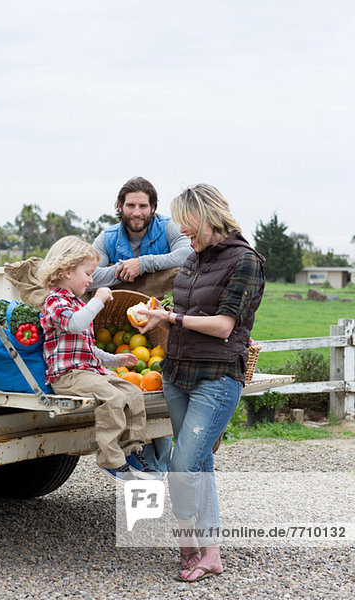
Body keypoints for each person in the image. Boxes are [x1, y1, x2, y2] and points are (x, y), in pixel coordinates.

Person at [137, 184, 265, 582]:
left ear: (209, 218)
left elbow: (224, 325)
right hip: (177, 373)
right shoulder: (194, 259)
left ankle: (188, 542)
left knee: (181, 465)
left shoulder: (246, 261)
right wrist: (163, 314)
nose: (185, 235)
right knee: (201, 464)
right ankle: (208, 553)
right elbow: (190, 309)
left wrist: (172, 320)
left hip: (217, 376)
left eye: (190, 227)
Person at [92, 176, 192, 474]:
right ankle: (149, 470)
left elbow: (188, 254)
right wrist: (125, 270)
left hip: (164, 319)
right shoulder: (108, 237)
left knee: (162, 397)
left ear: (153, 208)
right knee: (138, 390)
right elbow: (90, 275)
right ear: (120, 207)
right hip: (122, 319)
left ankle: (158, 470)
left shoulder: (167, 227)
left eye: (143, 206)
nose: (137, 212)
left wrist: (144, 263)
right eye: (130, 205)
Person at [38, 235, 153, 482]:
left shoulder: (78, 303)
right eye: (88, 273)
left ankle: (130, 451)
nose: (91, 279)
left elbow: (88, 349)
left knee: (133, 394)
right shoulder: (54, 302)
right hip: (68, 376)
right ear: (67, 271)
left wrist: (115, 360)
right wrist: (98, 300)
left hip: (90, 373)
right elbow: (75, 325)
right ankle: (110, 461)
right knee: (113, 398)